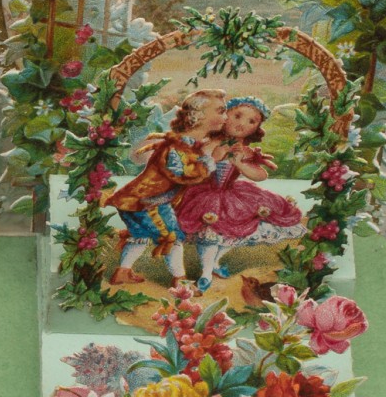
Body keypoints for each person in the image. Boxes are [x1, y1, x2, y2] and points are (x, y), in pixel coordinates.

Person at [175, 95, 306, 287]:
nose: (242, 124)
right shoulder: (209, 143)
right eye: (237, 116)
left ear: (257, 128)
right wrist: (216, 157)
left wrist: (240, 164)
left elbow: (260, 175)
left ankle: (214, 263)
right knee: (210, 232)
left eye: (251, 121)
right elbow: (195, 169)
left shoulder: (244, 151)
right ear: (224, 115)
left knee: (235, 231)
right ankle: (206, 273)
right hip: (202, 194)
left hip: (232, 195)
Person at [104, 88, 226, 287]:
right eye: (220, 111)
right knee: (173, 237)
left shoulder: (185, 143)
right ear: (199, 116)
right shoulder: (177, 146)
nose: (225, 117)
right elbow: (182, 174)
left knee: (140, 235)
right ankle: (180, 281)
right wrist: (209, 161)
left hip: (134, 200)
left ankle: (122, 272)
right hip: (149, 203)